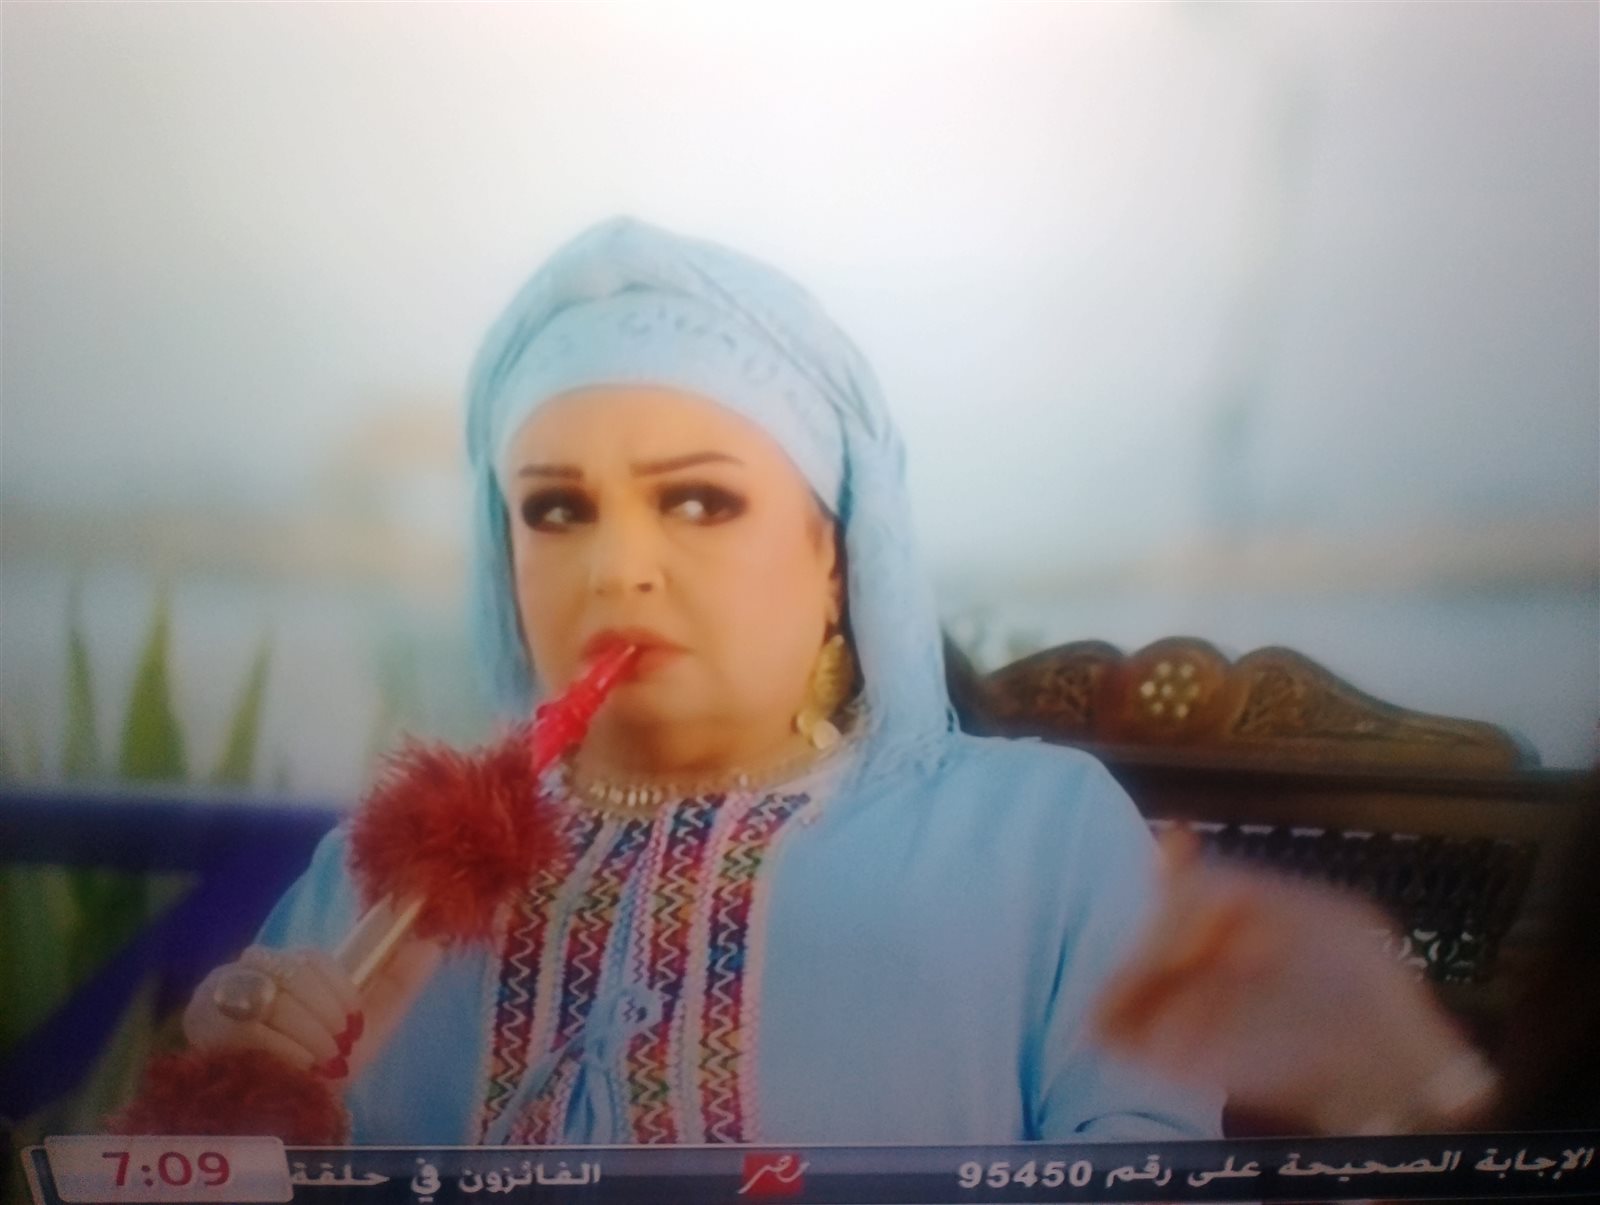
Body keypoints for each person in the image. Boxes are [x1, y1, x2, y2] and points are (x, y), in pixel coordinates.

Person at [181, 217, 1222, 1145]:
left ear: (837, 556)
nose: (616, 568)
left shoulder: (1039, 839)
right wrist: (245, 1109)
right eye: (556, 510)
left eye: (696, 502)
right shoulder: (381, 883)